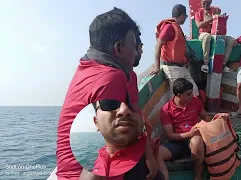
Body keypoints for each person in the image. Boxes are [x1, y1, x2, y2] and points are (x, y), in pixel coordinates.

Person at [55, 8, 157, 180]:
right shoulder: (112, 77)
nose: (136, 53)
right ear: (118, 48)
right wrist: (152, 158)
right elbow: (100, 160)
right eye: (133, 46)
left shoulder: (87, 68)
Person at [78, 100, 164, 180]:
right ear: (96, 123)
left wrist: (150, 158)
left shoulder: (144, 141)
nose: (124, 110)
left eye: (130, 103)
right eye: (109, 103)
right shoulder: (104, 163)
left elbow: (144, 135)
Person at [157, 78, 211, 180]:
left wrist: (209, 127)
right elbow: (169, 135)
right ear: (178, 95)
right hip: (177, 142)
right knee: (156, 152)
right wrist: (189, 134)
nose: (192, 95)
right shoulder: (166, 109)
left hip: (195, 140)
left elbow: (206, 116)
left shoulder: (195, 101)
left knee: (196, 141)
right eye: (188, 94)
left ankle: (198, 175)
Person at [149, 4, 199, 97]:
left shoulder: (177, 27)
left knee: (195, 92)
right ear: (182, 15)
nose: (185, 19)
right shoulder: (169, 27)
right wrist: (157, 66)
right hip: (172, 68)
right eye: (185, 17)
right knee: (180, 96)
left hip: (181, 67)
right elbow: (158, 46)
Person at [194, 0, 235, 72]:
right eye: (204, 3)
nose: (206, 4)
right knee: (207, 37)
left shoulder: (215, 10)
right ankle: (205, 63)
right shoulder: (198, 13)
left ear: (210, 2)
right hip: (203, 34)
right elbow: (199, 25)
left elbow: (219, 13)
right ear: (201, 3)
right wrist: (212, 18)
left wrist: (220, 17)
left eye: (208, 2)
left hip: (215, 34)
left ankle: (223, 64)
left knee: (230, 40)